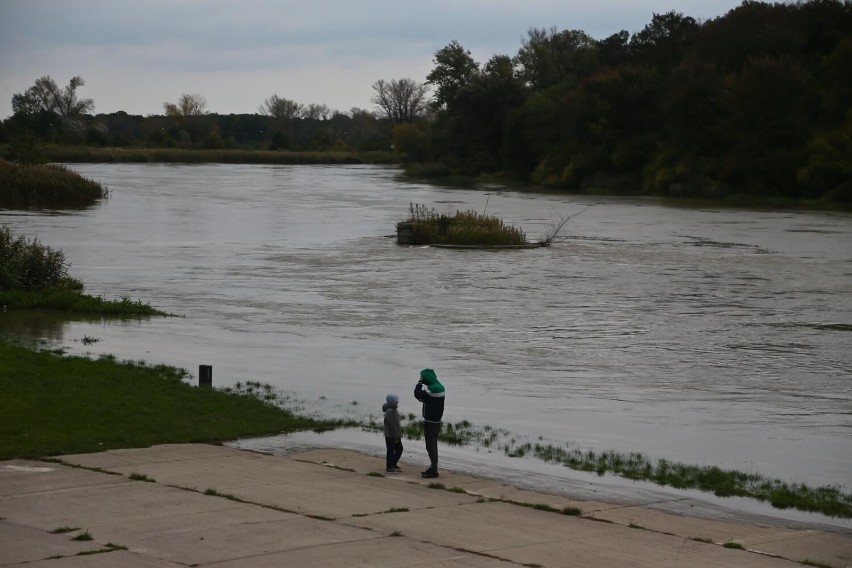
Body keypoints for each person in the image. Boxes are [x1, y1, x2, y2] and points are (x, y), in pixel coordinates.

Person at [413, 368, 445, 478]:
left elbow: (417, 394)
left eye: (423, 377)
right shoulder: (440, 387)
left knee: (430, 445)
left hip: (430, 421)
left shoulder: (432, 389)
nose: (422, 379)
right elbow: (428, 399)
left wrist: (419, 383)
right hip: (437, 420)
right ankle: (433, 467)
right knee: (433, 444)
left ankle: (434, 470)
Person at [383, 393, 403, 473]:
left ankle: (393, 464)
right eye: (395, 400)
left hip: (395, 434)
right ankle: (389, 466)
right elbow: (392, 425)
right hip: (391, 435)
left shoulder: (393, 409)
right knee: (391, 450)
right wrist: (396, 436)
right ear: (391, 401)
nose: (397, 401)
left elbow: (396, 424)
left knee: (399, 449)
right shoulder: (390, 411)